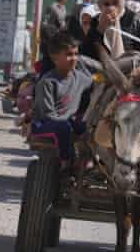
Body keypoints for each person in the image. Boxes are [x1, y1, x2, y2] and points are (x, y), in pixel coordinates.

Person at [31, 30, 94, 168]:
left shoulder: (80, 78)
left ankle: (88, 160)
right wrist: (70, 122)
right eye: (69, 55)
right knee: (64, 128)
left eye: (76, 54)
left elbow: (96, 81)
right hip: (44, 123)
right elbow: (48, 114)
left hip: (68, 121)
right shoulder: (47, 82)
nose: (74, 58)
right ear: (54, 58)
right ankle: (66, 161)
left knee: (90, 128)